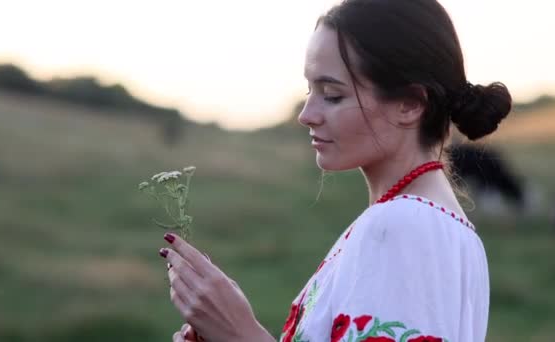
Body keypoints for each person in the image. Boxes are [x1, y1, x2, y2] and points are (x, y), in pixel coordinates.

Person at [160, 0, 512, 341]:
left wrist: (240, 333)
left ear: (410, 104)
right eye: (310, 90)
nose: (307, 114)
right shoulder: (438, 226)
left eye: (331, 94)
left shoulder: (403, 224)